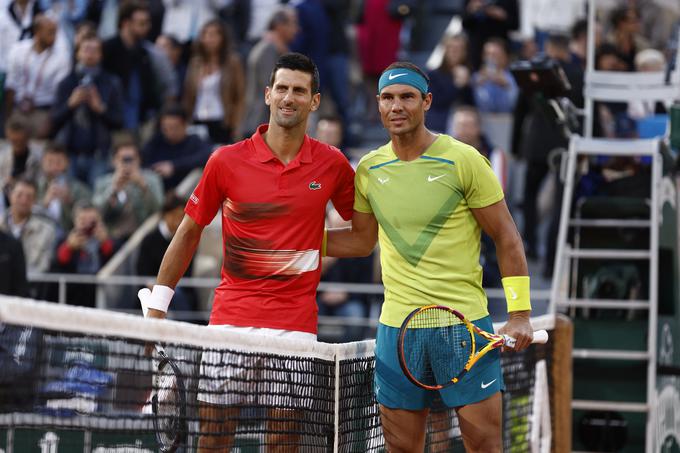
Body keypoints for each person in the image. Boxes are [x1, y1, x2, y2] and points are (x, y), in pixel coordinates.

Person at [138, 53, 355, 451]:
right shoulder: (225, 160)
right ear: (268, 94)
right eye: (283, 89)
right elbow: (187, 233)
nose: (290, 98)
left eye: (300, 91)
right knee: (213, 441)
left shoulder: (333, 165)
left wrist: (307, 240)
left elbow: (363, 237)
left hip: (295, 327)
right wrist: (157, 309)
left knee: (283, 444)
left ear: (315, 101)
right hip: (231, 320)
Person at [325, 61, 534, 452]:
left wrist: (520, 313)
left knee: (485, 446)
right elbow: (360, 241)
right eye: (387, 98)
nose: (396, 106)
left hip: (464, 327)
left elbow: (506, 236)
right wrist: (297, 238)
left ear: (427, 102)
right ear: (378, 105)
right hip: (396, 332)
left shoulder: (464, 159)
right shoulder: (369, 169)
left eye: (407, 97)